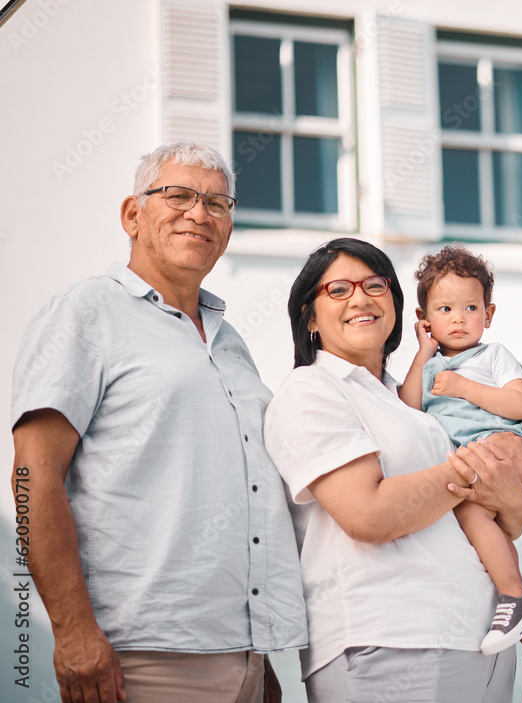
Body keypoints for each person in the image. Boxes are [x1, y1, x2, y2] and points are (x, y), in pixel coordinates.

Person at [9, 143, 307, 703]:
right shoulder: (85, 311)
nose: (200, 214)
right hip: (138, 657)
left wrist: (256, 657)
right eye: (179, 196)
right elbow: (32, 476)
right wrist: (72, 632)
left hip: (243, 657)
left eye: (218, 204)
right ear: (132, 215)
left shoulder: (231, 342)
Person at [262, 237, 522, 703]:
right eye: (338, 290)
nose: (360, 297)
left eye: (375, 284)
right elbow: (369, 515)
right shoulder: (311, 390)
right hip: (392, 642)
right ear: (309, 317)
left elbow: (504, 521)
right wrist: (486, 461)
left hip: (484, 644)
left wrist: (512, 498)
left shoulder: (416, 402)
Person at [398, 246, 522, 702]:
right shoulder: (427, 366)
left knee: (471, 522)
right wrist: (422, 353)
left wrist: (463, 386)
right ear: (424, 317)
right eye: (445, 309)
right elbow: (409, 408)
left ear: (489, 314)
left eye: (471, 308)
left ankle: (518, 598)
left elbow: (519, 405)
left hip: (502, 454)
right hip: (467, 468)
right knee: (473, 550)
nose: (459, 319)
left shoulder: (493, 356)